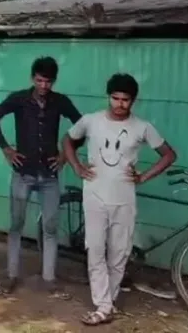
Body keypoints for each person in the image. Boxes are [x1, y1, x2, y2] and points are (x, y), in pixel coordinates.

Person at [62, 73, 176, 326]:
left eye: (126, 100)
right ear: (109, 96)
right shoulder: (90, 121)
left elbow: (168, 155)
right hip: (94, 197)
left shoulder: (142, 127)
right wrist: (78, 167)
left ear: (133, 101)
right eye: (116, 98)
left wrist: (144, 177)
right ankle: (104, 305)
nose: (120, 104)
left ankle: (106, 304)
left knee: (119, 254)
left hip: (124, 199)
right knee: (95, 251)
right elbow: (68, 140)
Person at [0, 56, 81, 297]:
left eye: (48, 82)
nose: (43, 86)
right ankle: (11, 276)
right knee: (16, 226)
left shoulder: (60, 102)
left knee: (50, 228)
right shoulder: (19, 99)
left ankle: (49, 279)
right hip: (23, 174)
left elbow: (81, 126)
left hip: (50, 176)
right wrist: (6, 149)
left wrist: (64, 155)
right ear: (32, 78)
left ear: (54, 81)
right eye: (39, 81)